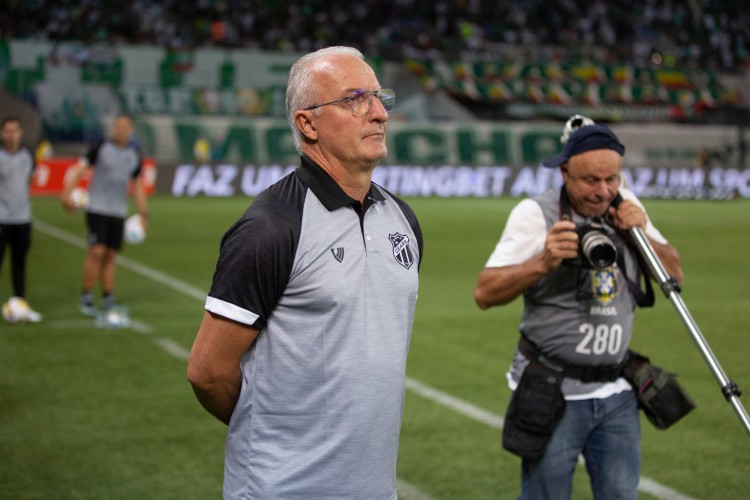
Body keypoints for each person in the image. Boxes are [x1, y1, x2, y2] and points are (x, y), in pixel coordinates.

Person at [187, 46, 422, 499]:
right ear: (307, 123)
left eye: (380, 97)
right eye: (356, 99)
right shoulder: (270, 228)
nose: (378, 114)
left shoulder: (402, 220)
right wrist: (279, 431)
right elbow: (207, 372)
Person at [474, 122, 683, 500]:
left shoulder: (626, 205)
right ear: (565, 172)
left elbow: (675, 275)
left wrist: (644, 234)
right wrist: (543, 262)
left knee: (621, 495)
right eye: (590, 180)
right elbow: (485, 292)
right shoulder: (536, 213)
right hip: (553, 390)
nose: (602, 191)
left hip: (617, 390)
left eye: (611, 179)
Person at [61, 114, 148, 316]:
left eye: (125, 126)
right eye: (118, 126)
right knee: (97, 252)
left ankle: (108, 298)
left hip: (118, 212)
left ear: (131, 130)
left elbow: (137, 187)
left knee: (110, 255)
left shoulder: (135, 154)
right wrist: (66, 194)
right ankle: (87, 296)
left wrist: (144, 214)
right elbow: (79, 170)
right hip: (97, 209)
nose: (120, 129)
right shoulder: (100, 147)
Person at [0, 117, 42, 322]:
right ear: (1, 134)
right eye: (7, 131)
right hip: (1, 218)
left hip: (22, 219)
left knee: (19, 264)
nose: (11, 134)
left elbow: (30, 181)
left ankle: (21, 305)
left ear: (20, 133)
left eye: (14, 130)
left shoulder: (28, 155)